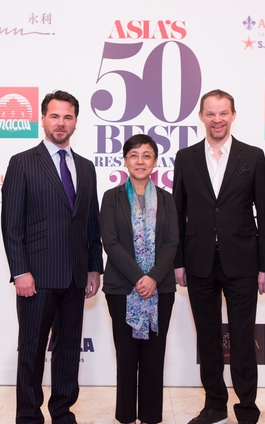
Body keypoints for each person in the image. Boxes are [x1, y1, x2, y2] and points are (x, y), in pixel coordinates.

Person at [173, 89, 265, 424]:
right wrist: (178, 261)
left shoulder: (253, 156)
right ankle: (215, 405)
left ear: (233, 115)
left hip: (243, 261)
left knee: (243, 338)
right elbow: (177, 213)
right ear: (201, 117)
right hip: (198, 260)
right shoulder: (186, 157)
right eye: (211, 113)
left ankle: (246, 408)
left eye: (223, 113)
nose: (217, 120)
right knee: (208, 337)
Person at [1, 90, 104, 424]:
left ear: (76, 122)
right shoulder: (22, 162)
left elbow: (90, 222)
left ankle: (62, 412)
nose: (61, 123)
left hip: (75, 276)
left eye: (68, 117)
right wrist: (20, 271)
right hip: (37, 276)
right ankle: (29, 416)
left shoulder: (86, 167)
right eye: (55, 116)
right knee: (31, 350)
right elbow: (11, 224)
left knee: (69, 350)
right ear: (43, 119)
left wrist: (94, 268)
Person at [99, 134, 179, 424]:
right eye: (134, 155)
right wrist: (138, 278)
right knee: (126, 355)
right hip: (122, 288)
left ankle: (150, 416)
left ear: (155, 162)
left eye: (147, 155)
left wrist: (153, 278)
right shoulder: (111, 198)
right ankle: (125, 416)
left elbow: (172, 241)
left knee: (154, 357)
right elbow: (110, 242)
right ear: (125, 160)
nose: (140, 161)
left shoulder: (168, 200)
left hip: (160, 289)